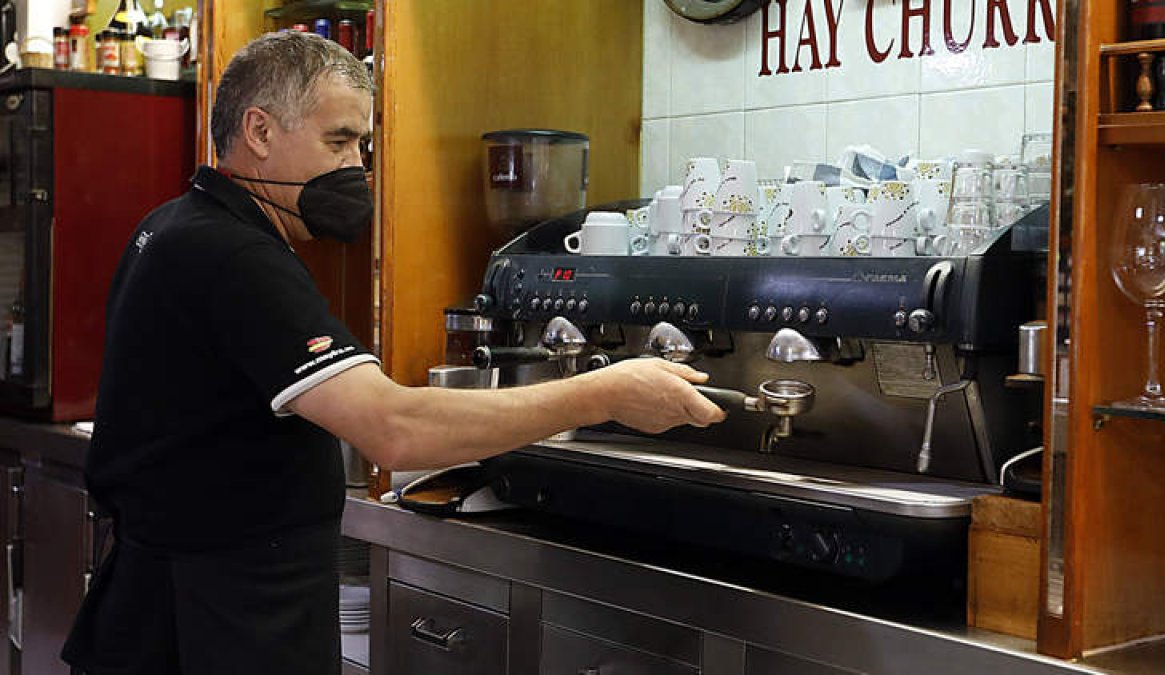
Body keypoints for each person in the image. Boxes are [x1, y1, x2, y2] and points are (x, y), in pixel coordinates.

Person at [61, 31, 724, 675]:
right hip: (212, 625)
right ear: (260, 132)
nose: (356, 166)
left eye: (361, 144)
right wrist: (605, 392)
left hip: (175, 610)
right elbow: (395, 428)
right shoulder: (233, 254)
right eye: (339, 140)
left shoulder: (175, 224)